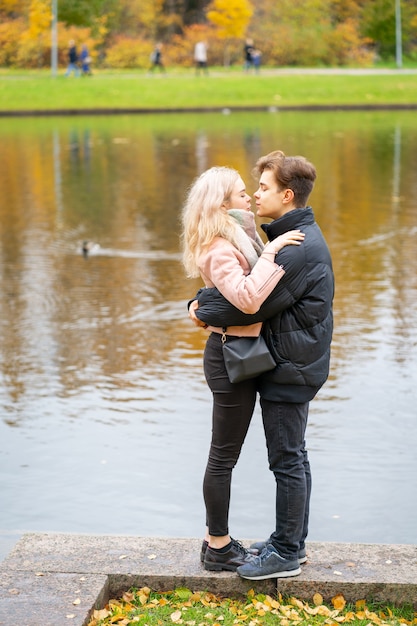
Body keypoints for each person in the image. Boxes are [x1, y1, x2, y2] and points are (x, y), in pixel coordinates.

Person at [189, 151, 334, 580]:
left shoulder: (296, 249)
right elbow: (242, 289)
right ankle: (289, 541)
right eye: (248, 189)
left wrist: (199, 305)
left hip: (290, 366)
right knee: (291, 457)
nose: (255, 194)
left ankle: (288, 550)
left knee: (287, 459)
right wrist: (202, 300)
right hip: (289, 362)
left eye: (264, 188)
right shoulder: (287, 238)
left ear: (287, 195)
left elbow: (250, 306)